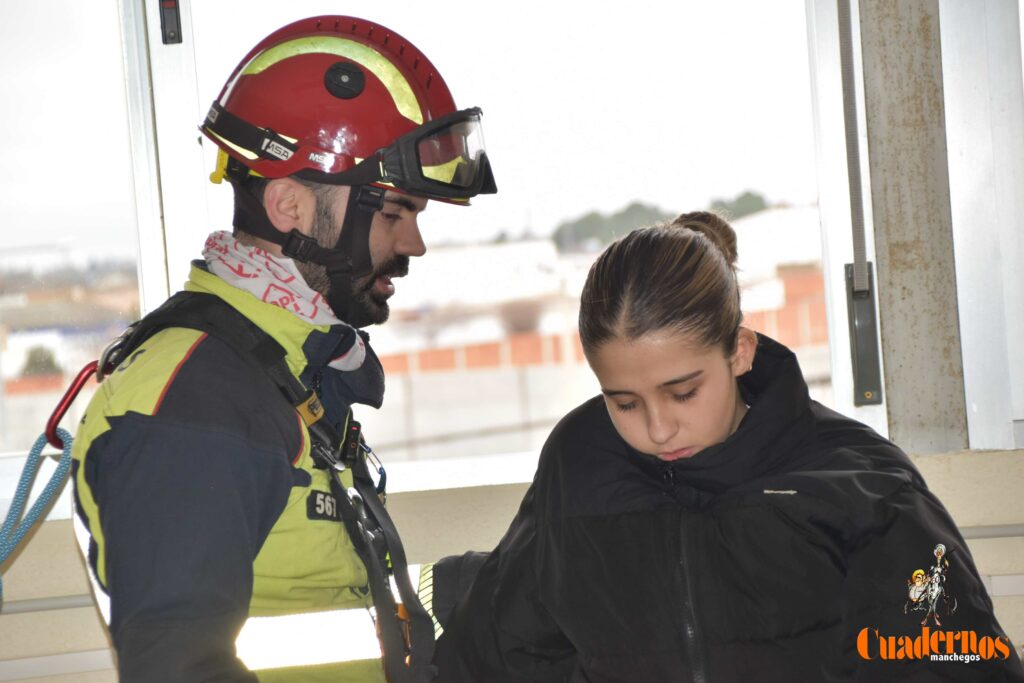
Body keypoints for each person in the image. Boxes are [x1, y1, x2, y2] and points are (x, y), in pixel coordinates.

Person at [71, 15, 494, 683]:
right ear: (290, 204)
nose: (413, 244)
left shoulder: (278, 370)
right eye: (394, 212)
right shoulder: (196, 406)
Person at [433, 213, 1024, 682]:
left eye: (683, 392)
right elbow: (496, 651)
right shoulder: (580, 461)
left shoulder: (857, 480)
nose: (658, 429)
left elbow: (954, 666)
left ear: (739, 351)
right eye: (624, 403)